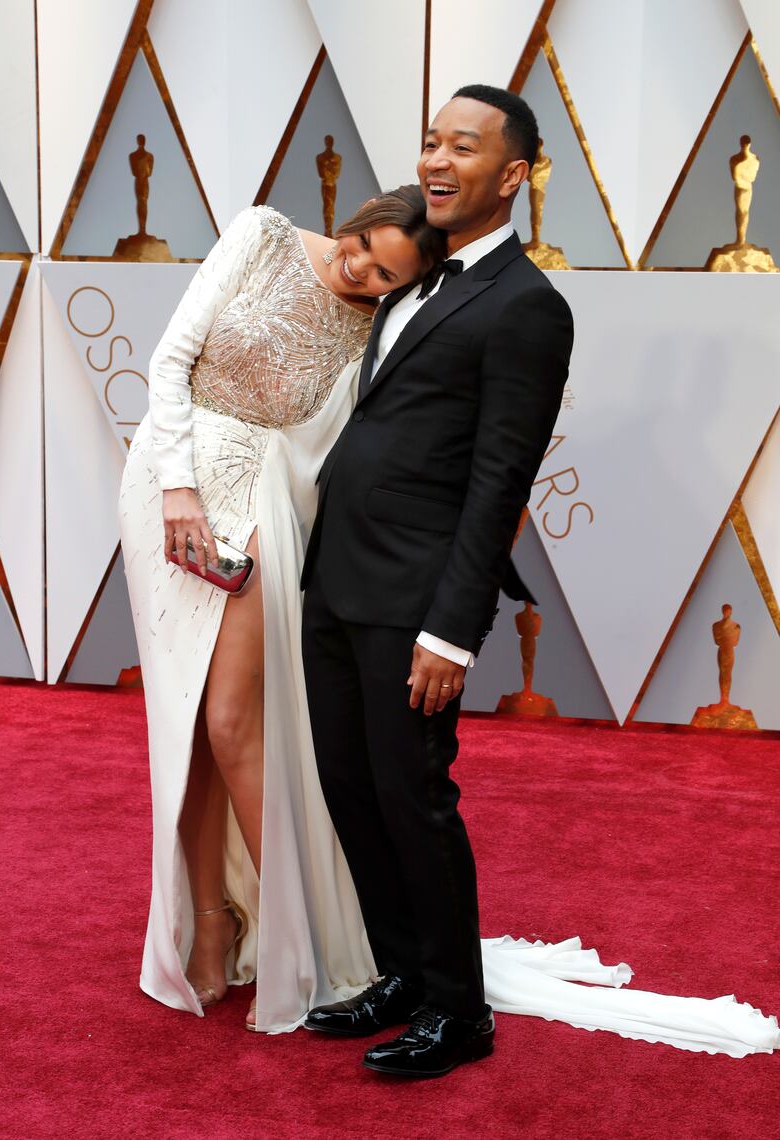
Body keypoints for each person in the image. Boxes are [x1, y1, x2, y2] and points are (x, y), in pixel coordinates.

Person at [300, 84, 780, 1078]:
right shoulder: (407, 281)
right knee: (349, 785)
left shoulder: (525, 306)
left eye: (462, 147)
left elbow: (497, 483)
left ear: (511, 175)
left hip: (415, 599)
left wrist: (452, 629)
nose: (436, 160)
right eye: (429, 139)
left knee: (411, 796)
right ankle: (401, 971)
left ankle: (455, 1011)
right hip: (336, 582)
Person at [119, 187, 447, 1032]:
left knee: (231, 720)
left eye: (386, 278)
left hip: (263, 504)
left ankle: (295, 935)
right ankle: (211, 926)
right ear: (365, 217)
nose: (364, 273)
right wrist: (178, 489)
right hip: (168, 483)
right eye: (368, 249)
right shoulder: (261, 234)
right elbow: (168, 363)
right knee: (184, 725)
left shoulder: (376, 329)